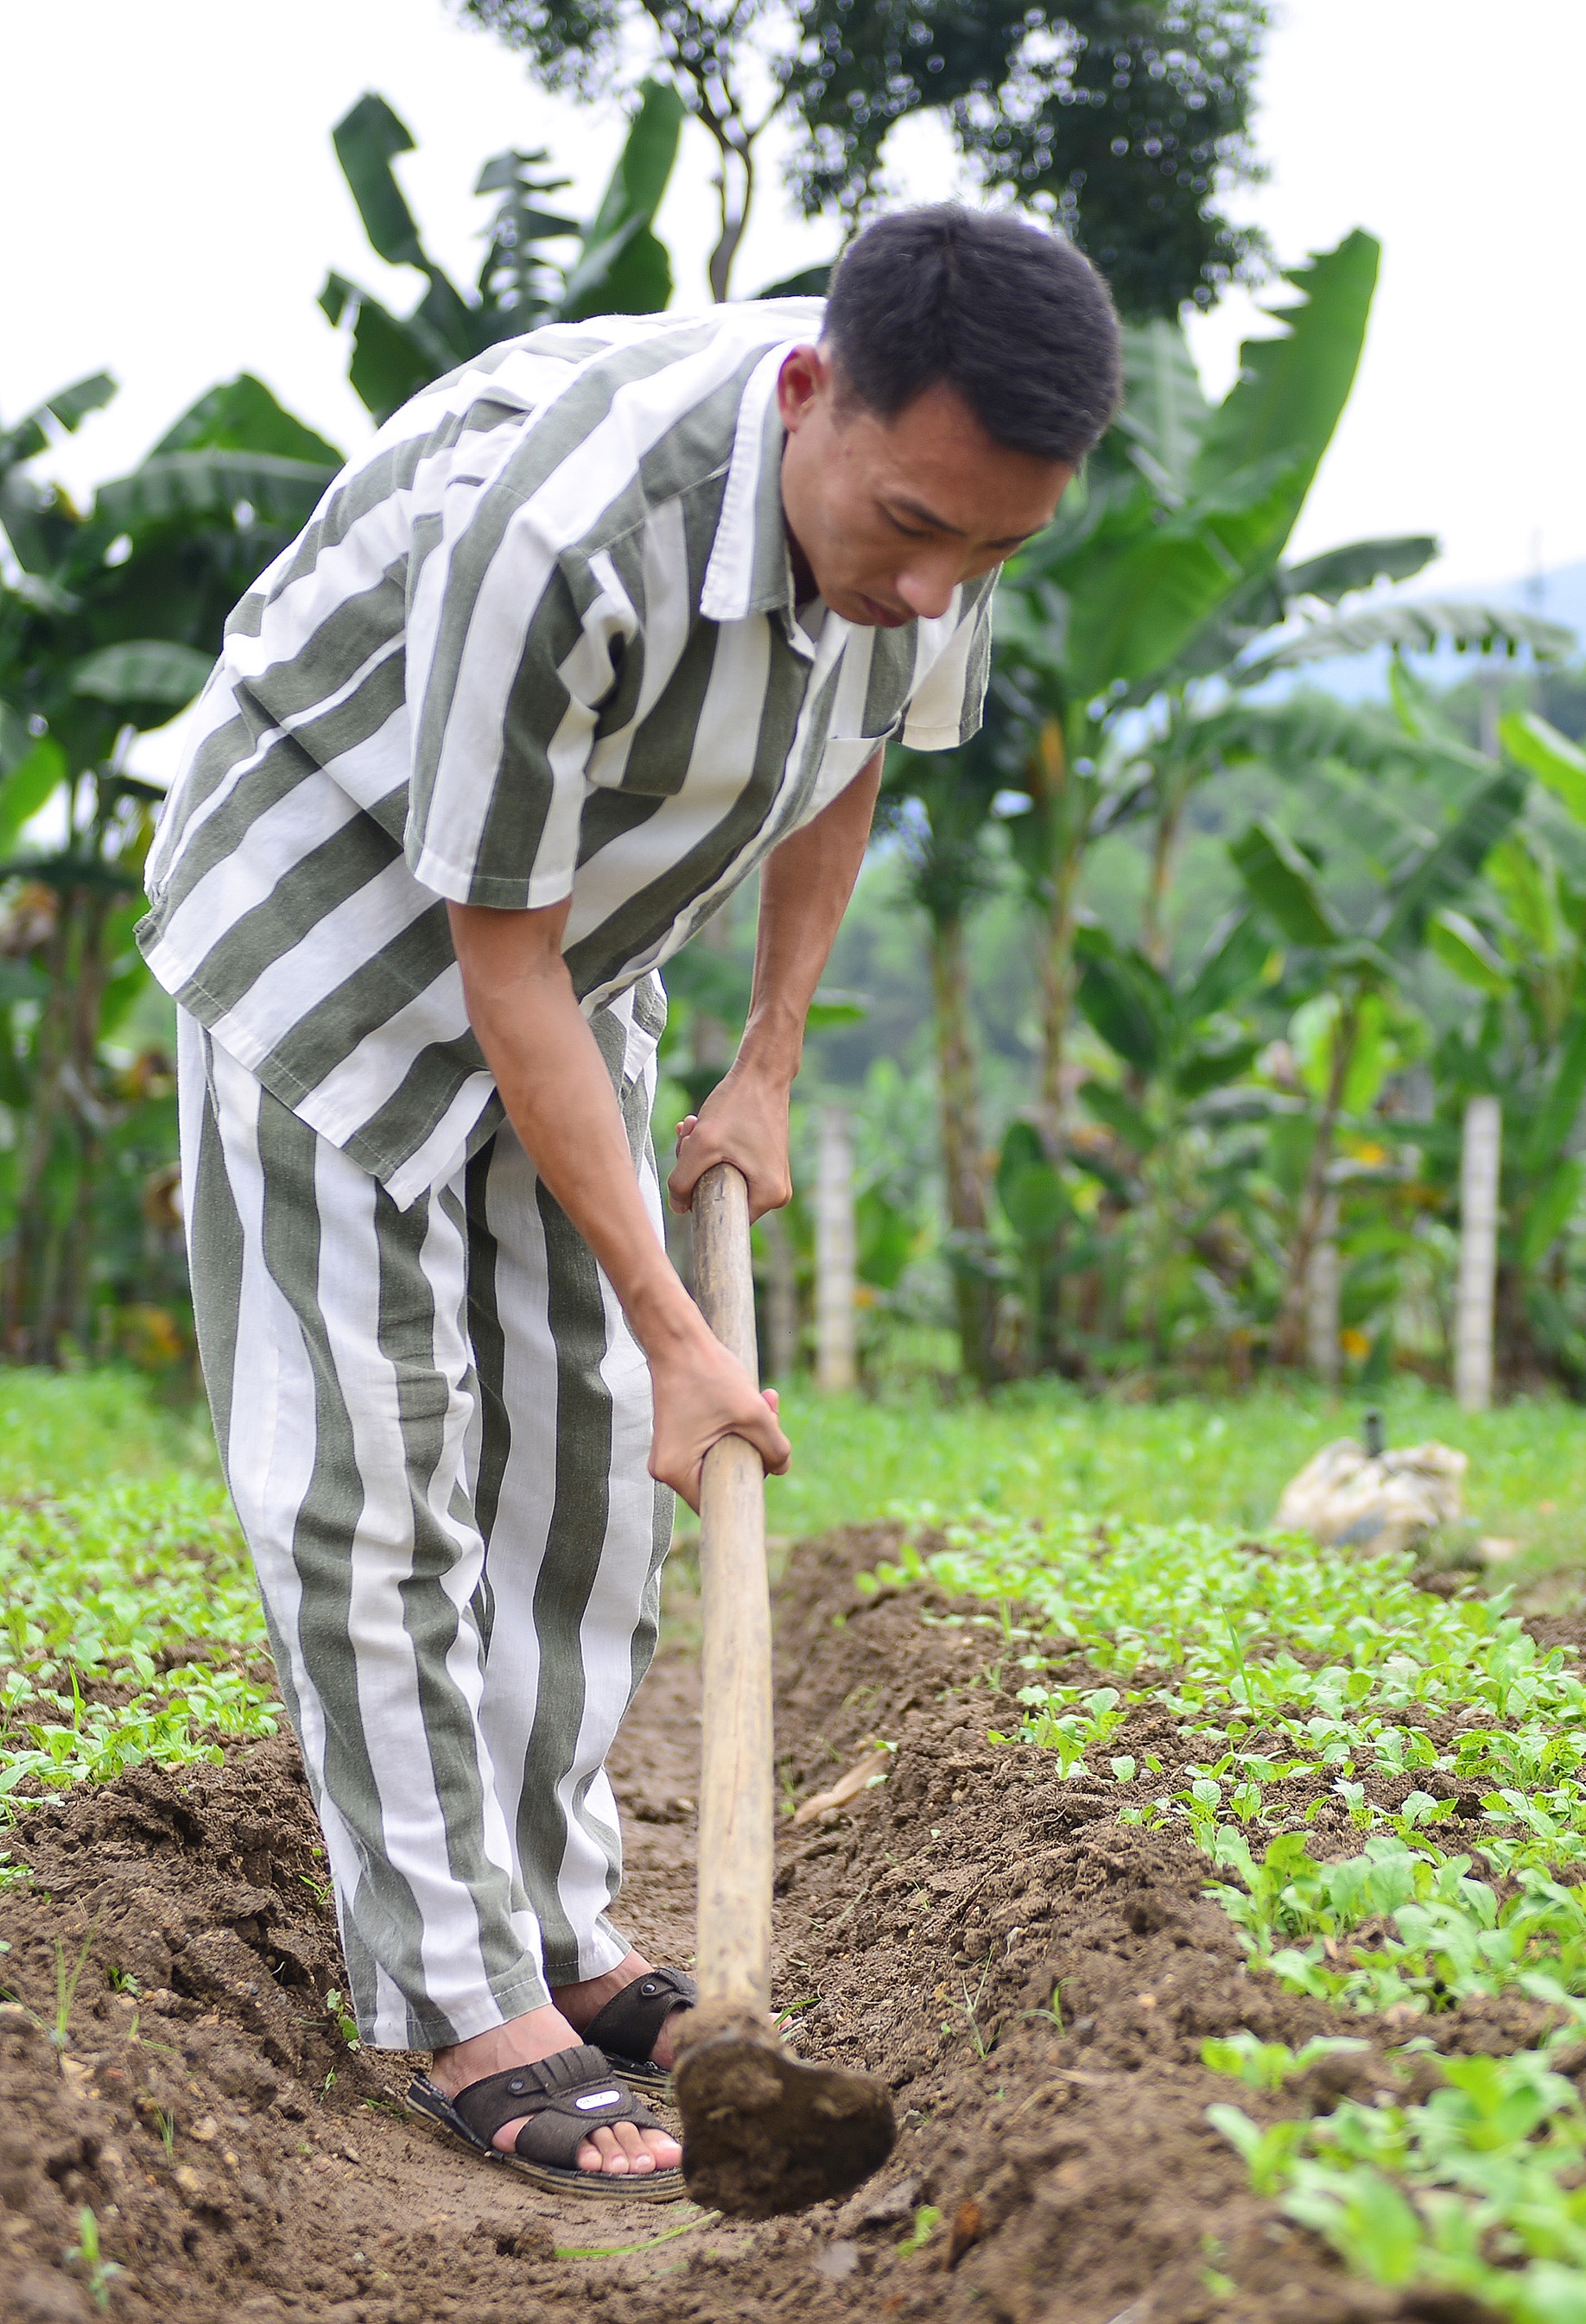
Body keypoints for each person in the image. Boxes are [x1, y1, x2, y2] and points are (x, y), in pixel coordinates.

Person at [140, 203, 1121, 2198]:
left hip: (583, 945)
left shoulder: (936, 526)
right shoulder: (569, 532)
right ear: (807, 393)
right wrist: (680, 1323)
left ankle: (558, 1925)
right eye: (914, 529)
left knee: (586, 1461)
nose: (936, 587)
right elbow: (487, 959)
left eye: (989, 553)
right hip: (337, 937)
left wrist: (767, 1057)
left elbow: (847, 753)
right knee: (376, 1470)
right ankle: (454, 1992)